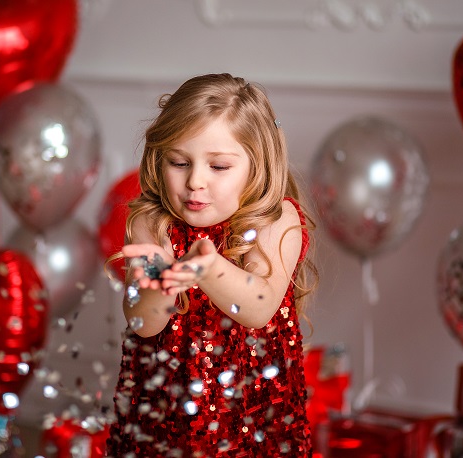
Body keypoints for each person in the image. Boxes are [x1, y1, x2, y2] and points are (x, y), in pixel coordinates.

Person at [105, 73, 317, 457]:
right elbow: (143, 323)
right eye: (179, 162)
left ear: (257, 165)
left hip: (251, 407)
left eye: (218, 167)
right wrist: (159, 284)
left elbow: (257, 308)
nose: (195, 181)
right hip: (164, 406)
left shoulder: (273, 219)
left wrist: (209, 267)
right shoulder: (152, 222)